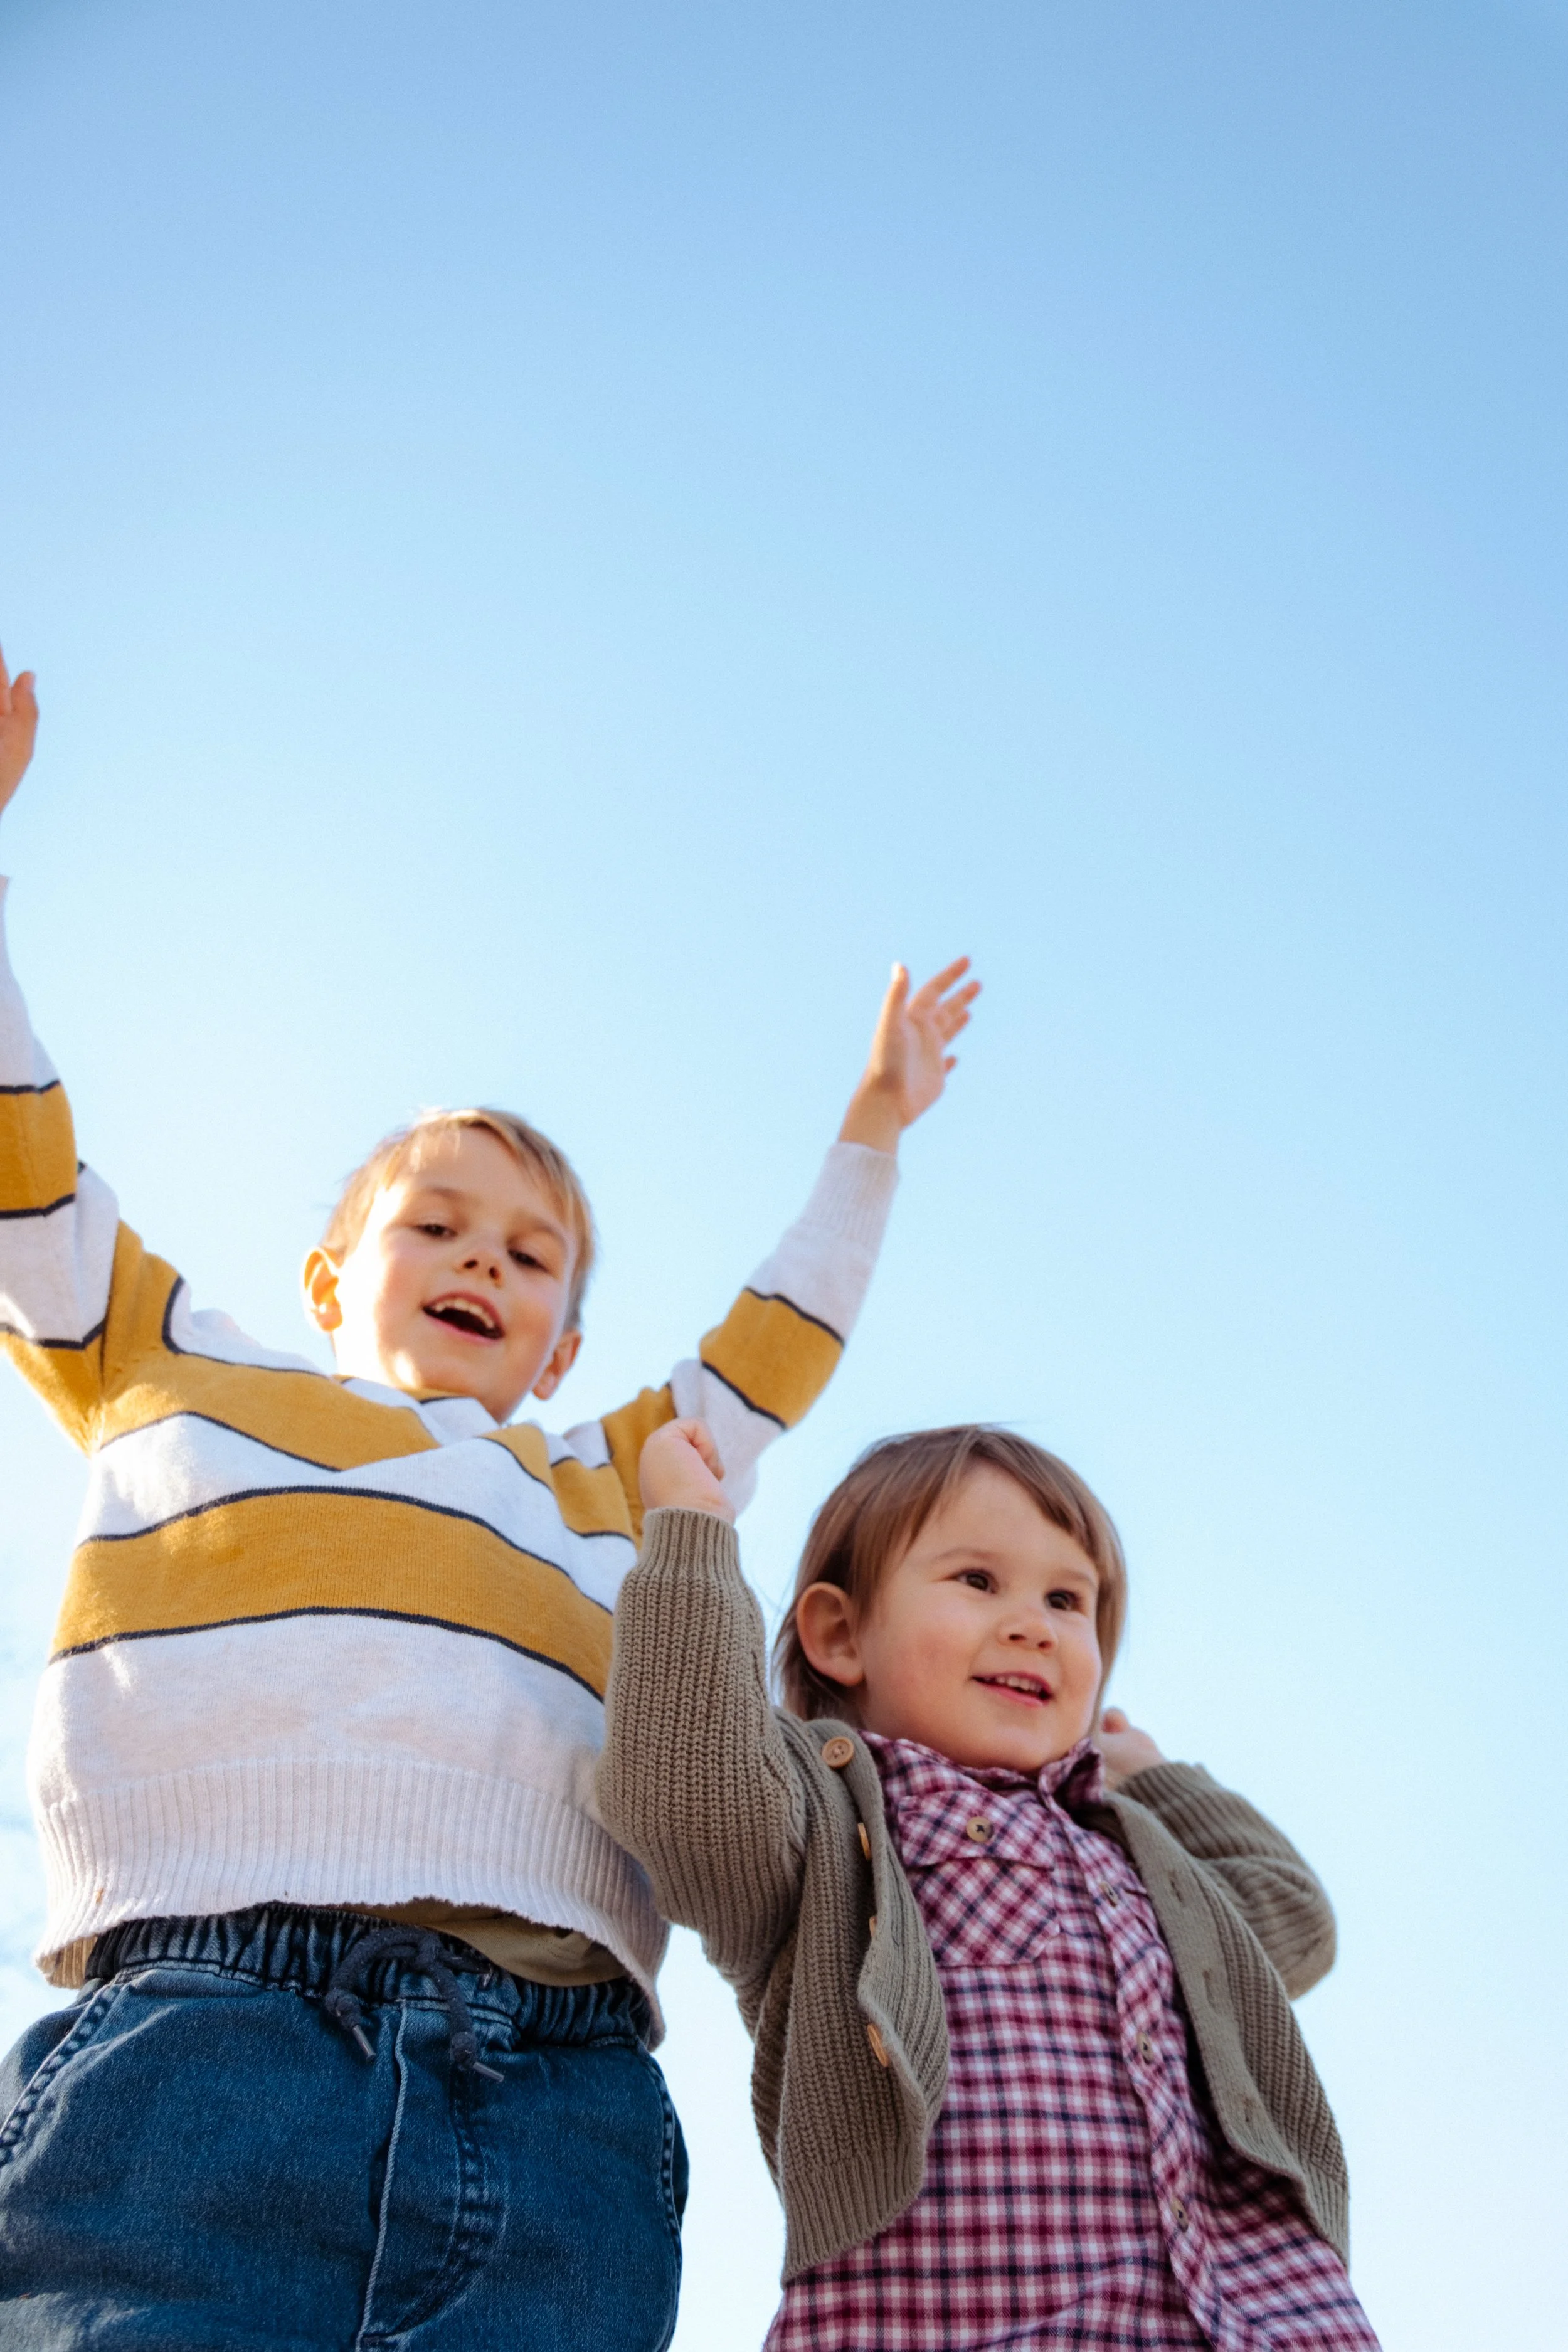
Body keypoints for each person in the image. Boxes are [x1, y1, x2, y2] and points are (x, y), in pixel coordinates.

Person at [0, 645, 978, 2352]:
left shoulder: (603, 1470)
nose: (480, 1257)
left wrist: (871, 1132)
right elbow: (27, 1169)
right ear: (329, 1277)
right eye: (434, 1222)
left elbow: (773, 1343)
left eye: (528, 1256)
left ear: (559, 1345)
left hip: (553, 2079)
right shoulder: (167, 1362)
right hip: (194, 2038)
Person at [600, 1419, 1383, 2349]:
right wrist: (692, 1528)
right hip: (952, 2314)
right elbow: (689, 1799)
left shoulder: (1131, 1846)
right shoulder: (827, 1817)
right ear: (840, 1634)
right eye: (978, 1580)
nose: (1032, 1624)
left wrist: (1153, 1775)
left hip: (1255, 2313)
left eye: (1066, 1597)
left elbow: (1293, 1916)